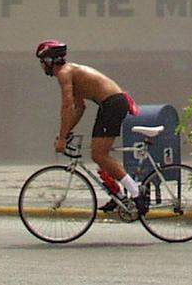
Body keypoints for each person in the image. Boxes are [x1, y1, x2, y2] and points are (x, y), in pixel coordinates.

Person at [36, 39, 148, 215]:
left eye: (41, 62)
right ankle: (118, 194)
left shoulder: (64, 73)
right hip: (111, 102)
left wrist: (63, 138)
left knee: (99, 154)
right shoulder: (71, 71)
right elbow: (79, 108)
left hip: (111, 103)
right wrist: (64, 132)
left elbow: (67, 106)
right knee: (101, 154)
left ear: (49, 61)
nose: (41, 67)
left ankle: (136, 192)